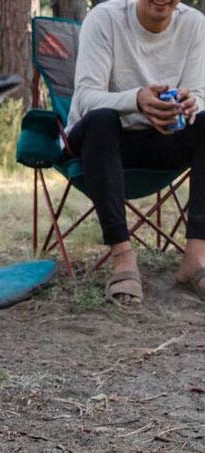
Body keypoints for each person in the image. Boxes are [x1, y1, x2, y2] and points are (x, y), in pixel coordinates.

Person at [66, 0, 205, 306]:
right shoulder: (104, 18)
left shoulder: (194, 23)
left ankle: (196, 258)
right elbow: (86, 98)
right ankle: (123, 258)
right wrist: (137, 100)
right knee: (102, 120)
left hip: (159, 140)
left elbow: (199, 94)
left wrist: (189, 104)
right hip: (100, 144)